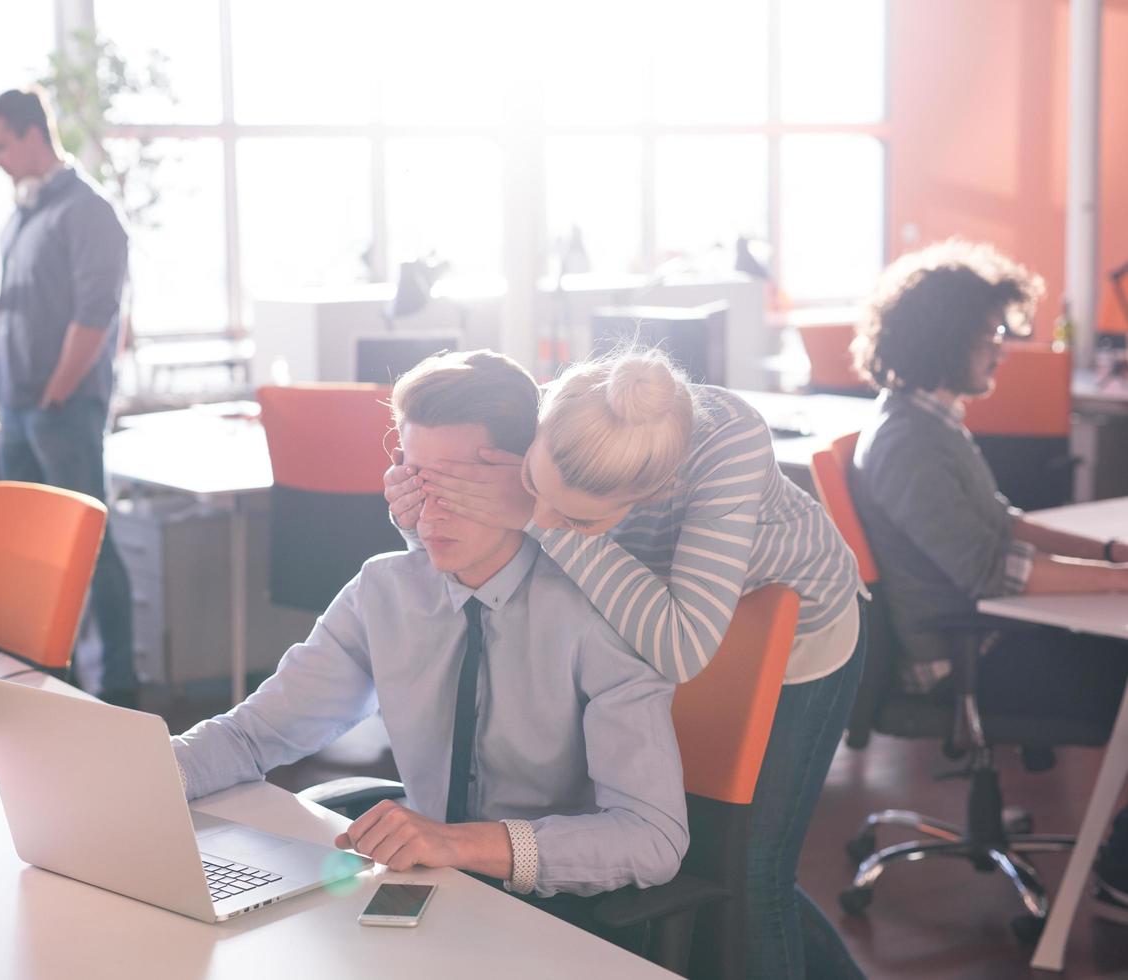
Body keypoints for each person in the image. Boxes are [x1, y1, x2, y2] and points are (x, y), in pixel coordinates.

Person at [385, 347, 866, 978]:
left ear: (654, 493)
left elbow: (684, 645)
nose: (547, 517)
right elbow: (504, 555)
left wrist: (536, 516)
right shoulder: (574, 410)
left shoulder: (730, 444)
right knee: (712, 858)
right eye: (534, 483)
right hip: (653, 618)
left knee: (751, 871)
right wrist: (423, 514)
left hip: (793, 636)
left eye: (579, 519)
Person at [174, 350, 688, 925]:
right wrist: (143, 772)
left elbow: (652, 838)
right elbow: (252, 736)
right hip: (421, 899)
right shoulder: (384, 591)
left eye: (458, 484)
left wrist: (459, 842)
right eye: (417, 479)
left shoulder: (598, 620)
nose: (430, 511)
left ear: (522, 481)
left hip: (550, 916)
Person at [848, 239, 1128, 904]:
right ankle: (1120, 872)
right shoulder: (909, 441)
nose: (1002, 346)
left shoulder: (930, 420)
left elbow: (1005, 520)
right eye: (992, 332)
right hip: (961, 658)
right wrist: (1120, 583)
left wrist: (1113, 555)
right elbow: (988, 570)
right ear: (950, 337)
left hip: (984, 635)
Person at [0, 87, 136, 707]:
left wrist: (55, 393)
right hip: (19, 408)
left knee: (90, 551)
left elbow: (95, 314)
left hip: (60, 410)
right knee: (33, 554)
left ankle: (120, 689)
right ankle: (54, 688)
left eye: (0, 145)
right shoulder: (22, 215)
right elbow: (32, 308)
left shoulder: (87, 212)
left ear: (32, 134)